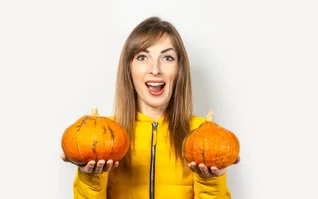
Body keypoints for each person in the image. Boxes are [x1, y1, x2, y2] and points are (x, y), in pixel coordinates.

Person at [60, 16, 240, 199]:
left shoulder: (201, 136)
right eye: (142, 57)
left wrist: (210, 182)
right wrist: (90, 180)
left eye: (167, 58)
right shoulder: (104, 139)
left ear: (180, 70)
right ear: (128, 69)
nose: (155, 69)